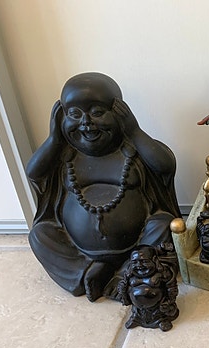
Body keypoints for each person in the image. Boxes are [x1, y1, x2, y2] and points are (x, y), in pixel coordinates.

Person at [26, 72, 181, 301]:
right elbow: (34, 174)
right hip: (80, 247)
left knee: (165, 225)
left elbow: (165, 165)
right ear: (61, 118)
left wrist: (135, 131)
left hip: (136, 245)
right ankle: (86, 271)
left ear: (119, 112)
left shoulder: (132, 151)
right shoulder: (65, 155)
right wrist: (54, 140)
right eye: (74, 114)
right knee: (40, 235)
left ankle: (128, 271)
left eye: (97, 112)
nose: (86, 122)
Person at [117, 245, 179, 331]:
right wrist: (123, 292)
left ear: (154, 260)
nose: (139, 265)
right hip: (138, 307)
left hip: (158, 307)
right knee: (138, 312)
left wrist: (169, 301)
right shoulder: (130, 274)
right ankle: (136, 319)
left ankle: (162, 321)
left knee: (163, 312)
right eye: (134, 262)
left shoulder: (162, 273)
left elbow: (171, 288)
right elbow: (124, 286)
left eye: (144, 261)